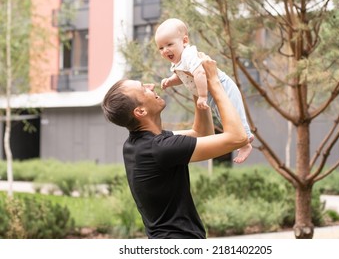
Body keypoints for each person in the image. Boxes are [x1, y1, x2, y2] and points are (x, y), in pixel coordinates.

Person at [101, 55, 247, 239]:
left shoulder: (139, 144)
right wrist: (214, 82)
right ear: (140, 111)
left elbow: (202, 134)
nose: (151, 86)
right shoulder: (160, 148)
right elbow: (238, 138)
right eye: (143, 89)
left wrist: (195, 84)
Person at [155, 18, 253, 163]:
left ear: (184, 41)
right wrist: (170, 81)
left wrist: (201, 96)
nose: (165, 50)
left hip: (222, 86)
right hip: (212, 92)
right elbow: (181, 76)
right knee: (223, 117)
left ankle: (246, 140)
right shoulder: (177, 61)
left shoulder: (188, 55)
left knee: (234, 113)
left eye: (169, 44)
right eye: (161, 48)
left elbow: (199, 73)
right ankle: (245, 140)